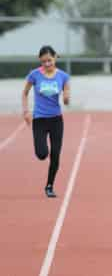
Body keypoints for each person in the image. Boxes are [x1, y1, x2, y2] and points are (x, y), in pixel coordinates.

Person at [22, 45, 70, 198]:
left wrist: (66, 98)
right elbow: (25, 93)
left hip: (56, 120)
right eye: (44, 62)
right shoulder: (34, 75)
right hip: (39, 120)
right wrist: (26, 111)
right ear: (40, 61)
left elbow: (67, 93)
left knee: (55, 154)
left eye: (49, 60)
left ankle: (49, 186)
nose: (47, 64)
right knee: (42, 154)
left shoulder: (63, 76)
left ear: (55, 57)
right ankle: (42, 150)